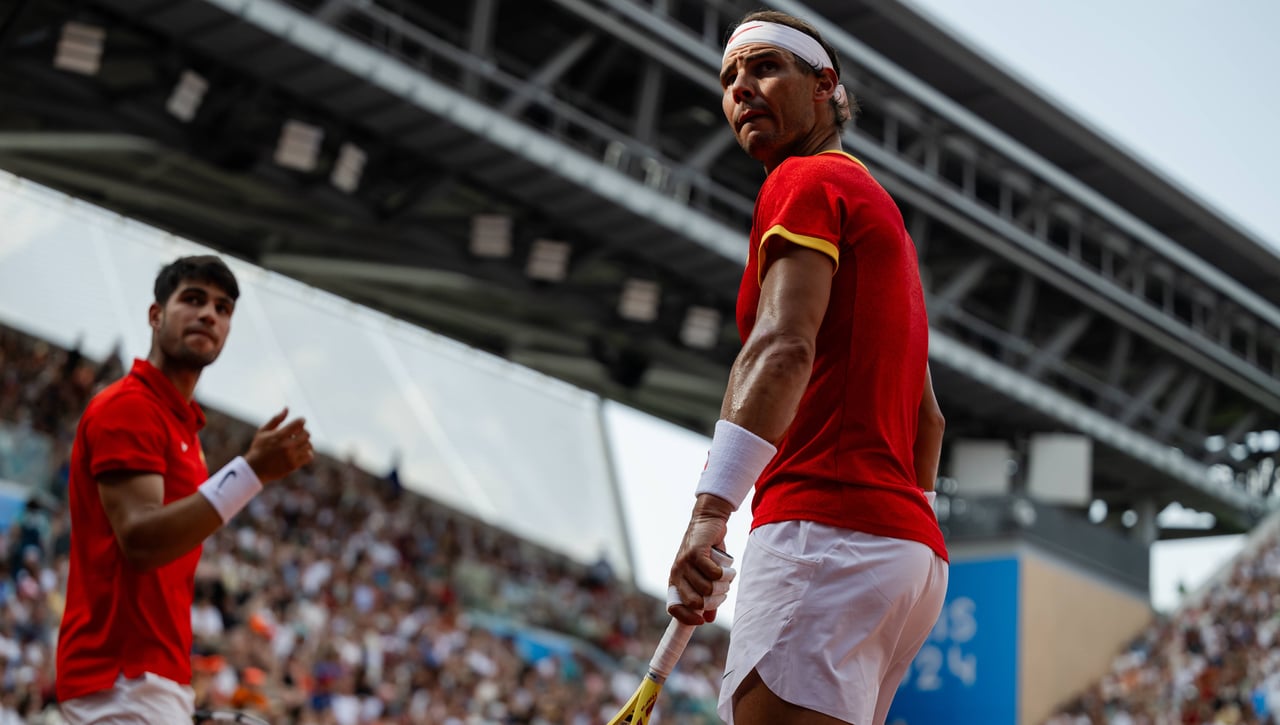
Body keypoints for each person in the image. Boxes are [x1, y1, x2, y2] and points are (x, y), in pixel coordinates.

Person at [665, 11, 950, 725]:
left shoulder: (804, 180)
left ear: (824, 86)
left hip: (825, 532)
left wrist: (710, 513)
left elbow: (783, 346)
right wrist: (892, 528)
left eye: (765, 68)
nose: (741, 89)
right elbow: (928, 421)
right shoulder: (882, 216)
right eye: (729, 78)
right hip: (908, 556)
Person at [56, 255, 315, 723]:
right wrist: (251, 472)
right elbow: (140, 541)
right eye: (193, 300)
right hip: (121, 678)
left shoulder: (183, 430)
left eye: (222, 308)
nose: (209, 315)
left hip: (149, 681)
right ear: (156, 315)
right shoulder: (130, 406)